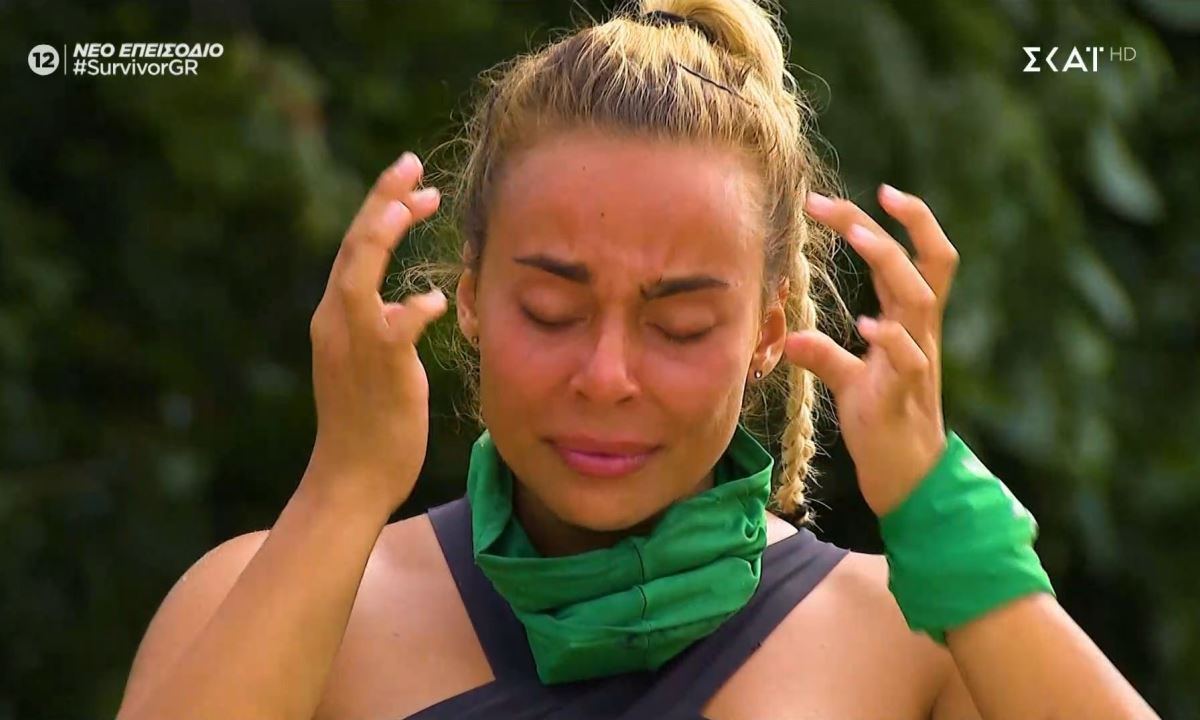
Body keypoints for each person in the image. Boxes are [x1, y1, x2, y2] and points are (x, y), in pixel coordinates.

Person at [115, 1, 1160, 719]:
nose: (607, 375)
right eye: (552, 310)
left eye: (681, 326)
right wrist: (343, 487)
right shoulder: (269, 598)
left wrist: (942, 516)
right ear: (470, 297)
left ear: (769, 330)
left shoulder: (915, 641)